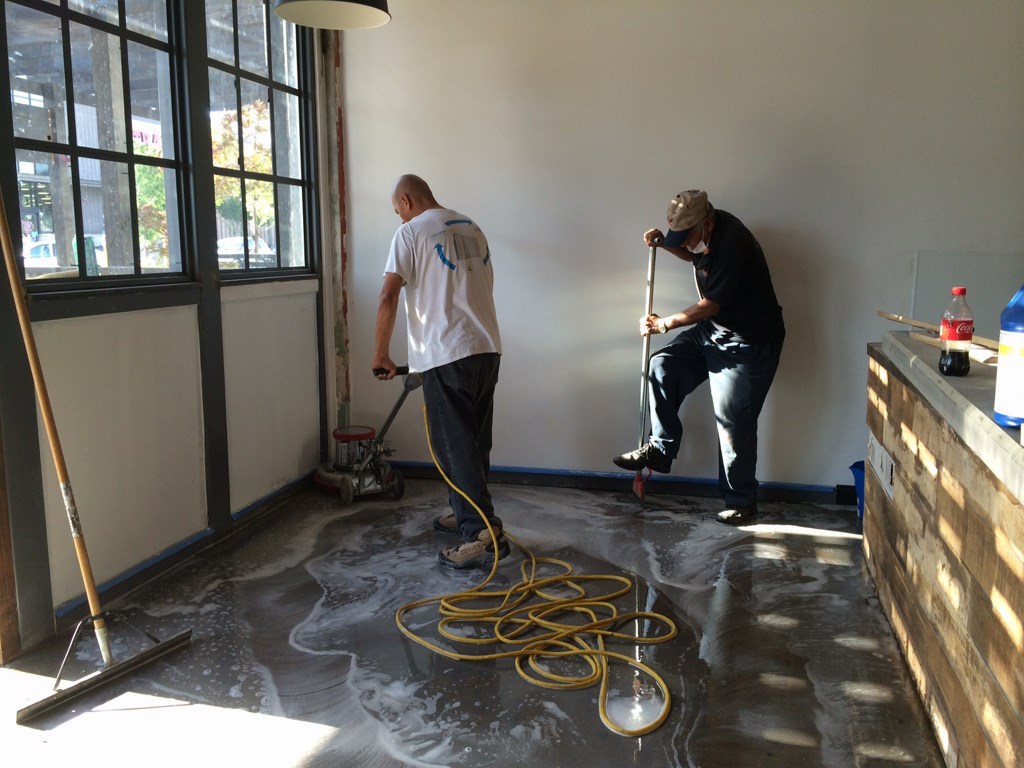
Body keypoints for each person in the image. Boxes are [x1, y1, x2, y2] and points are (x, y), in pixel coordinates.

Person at [613, 190, 785, 525]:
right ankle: (661, 449)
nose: (685, 243)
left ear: (706, 224)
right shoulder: (703, 231)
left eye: (686, 236)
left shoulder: (734, 243)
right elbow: (693, 255)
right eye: (677, 235)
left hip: (749, 342)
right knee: (662, 365)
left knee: (732, 422)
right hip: (716, 330)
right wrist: (666, 244)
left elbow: (709, 305)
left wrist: (664, 323)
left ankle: (742, 502)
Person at [372, 174, 509, 568]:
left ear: (406, 200)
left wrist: (381, 354)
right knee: (474, 441)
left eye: (398, 210)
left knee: (453, 445)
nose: (399, 218)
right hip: (486, 346)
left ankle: (480, 532)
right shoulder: (471, 226)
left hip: (446, 352)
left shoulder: (411, 232)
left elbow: (388, 294)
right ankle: (466, 511)